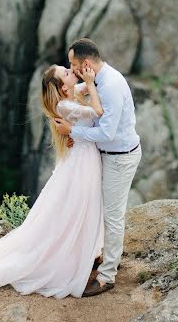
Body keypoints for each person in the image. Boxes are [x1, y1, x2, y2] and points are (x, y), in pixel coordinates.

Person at [0, 64, 104, 299]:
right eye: (67, 72)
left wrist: (89, 78)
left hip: (84, 159)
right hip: (81, 162)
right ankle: (73, 255)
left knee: (85, 206)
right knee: (77, 207)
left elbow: (87, 84)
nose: (72, 72)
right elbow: (98, 112)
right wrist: (90, 84)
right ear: (62, 86)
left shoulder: (70, 95)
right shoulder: (65, 105)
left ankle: (88, 251)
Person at [54, 38, 141, 297]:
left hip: (119, 157)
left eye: (72, 64)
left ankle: (107, 276)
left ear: (86, 64)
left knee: (113, 216)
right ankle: (98, 254)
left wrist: (73, 131)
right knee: (99, 208)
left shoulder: (111, 85)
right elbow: (77, 91)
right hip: (106, 155)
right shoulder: (98, 79)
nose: (70, 68)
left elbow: (106, 131)